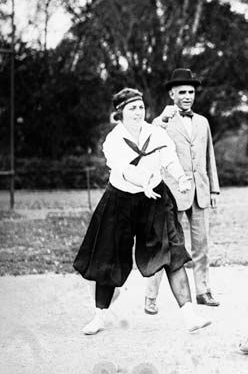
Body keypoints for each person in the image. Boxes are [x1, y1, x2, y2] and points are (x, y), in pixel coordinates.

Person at [73, 87, 211, 335]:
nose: (138, 112)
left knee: (172, 253)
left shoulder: (155, 133)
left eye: (141, 107)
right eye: (132, 108)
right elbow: (124, 170)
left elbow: (169, 158)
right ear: (120, 113)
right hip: (119, 202)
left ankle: (190, 316)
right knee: (109, 257)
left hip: (155, 200)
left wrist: (180, 178)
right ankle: (99, 317)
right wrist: (143, 182)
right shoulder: (113, 141)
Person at [144, 68, 220, 314]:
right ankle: (151, 296)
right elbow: (150, 145)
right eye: (182, 92)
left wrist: (214, 191)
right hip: (171, 194)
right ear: (172, 94)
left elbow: (210, 159)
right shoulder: (161, 123)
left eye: (191, 92)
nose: (188, 96)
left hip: (200, 192)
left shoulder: (202, 122)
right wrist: (162, 120)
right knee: (166, 245)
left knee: (202, 244)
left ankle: (203, 291)